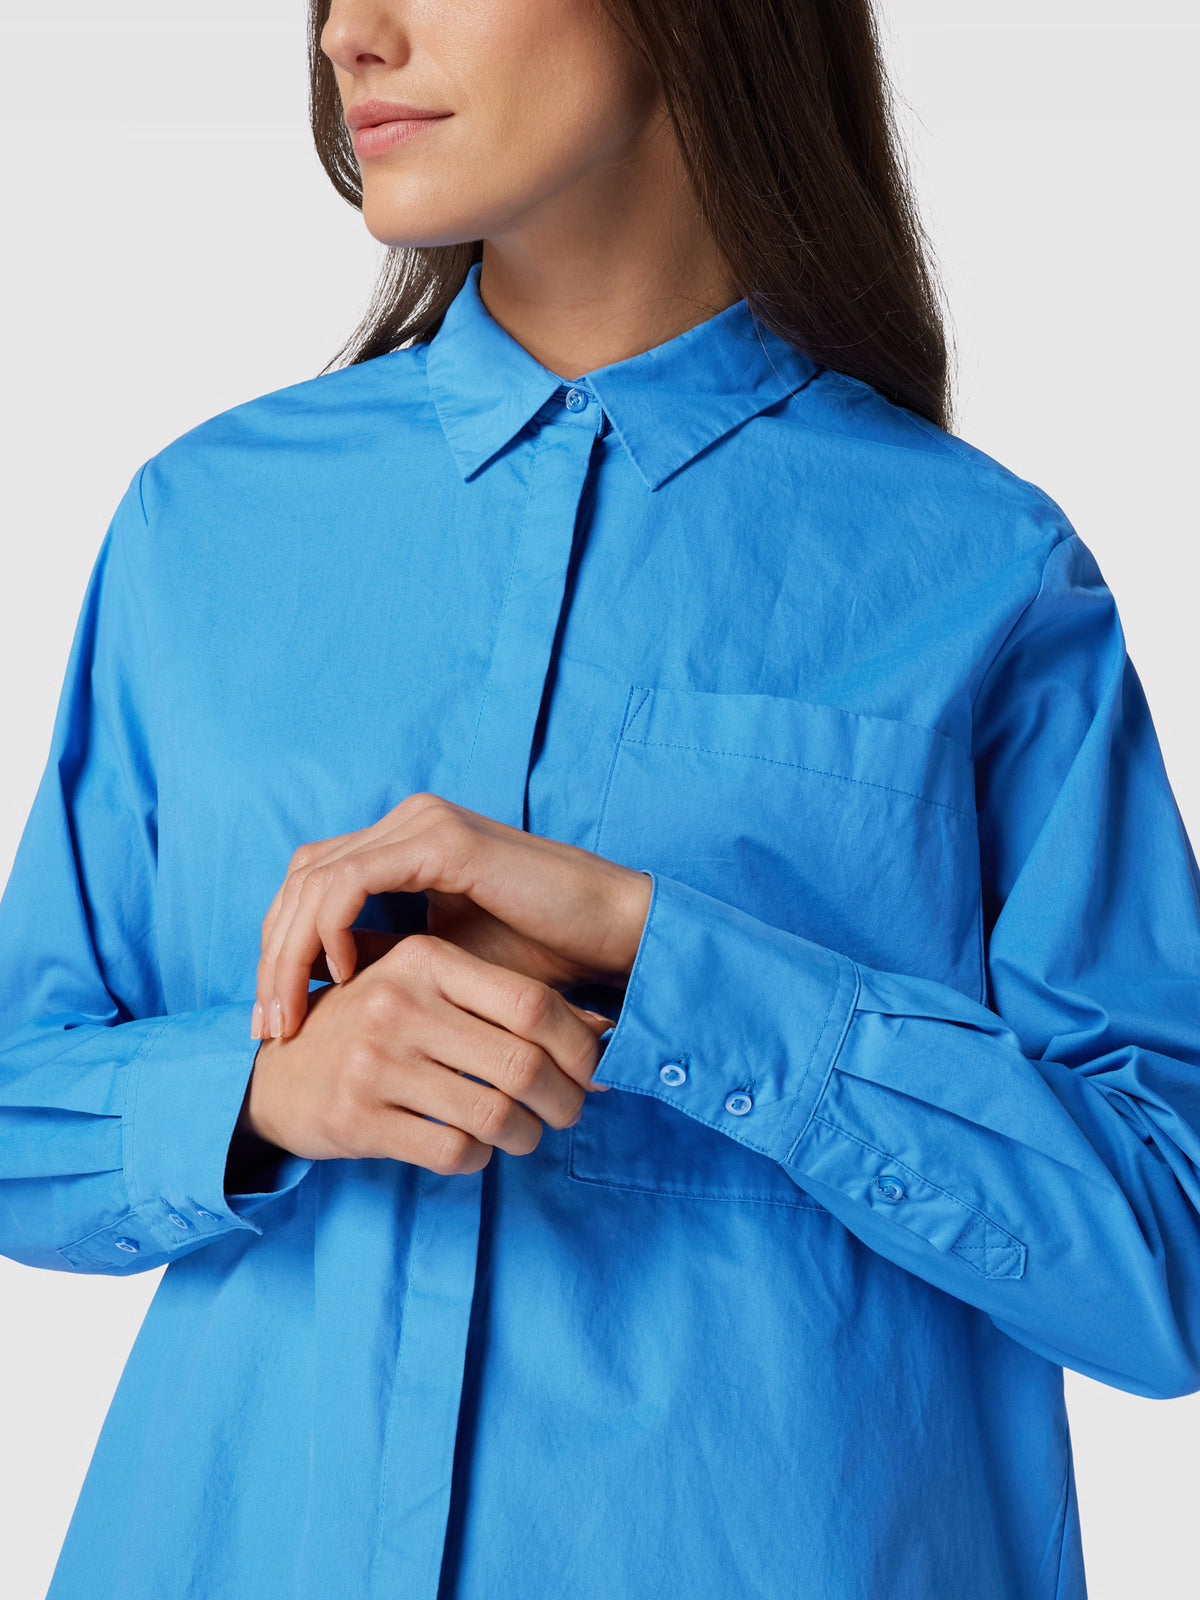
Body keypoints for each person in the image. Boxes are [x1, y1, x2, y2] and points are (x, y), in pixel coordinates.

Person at [2, 1, 1198, 1596]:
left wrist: (664, 957)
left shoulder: (984, 573)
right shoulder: (205, 522)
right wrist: (269, 1090)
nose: (351, 35)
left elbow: (1166, 1258)